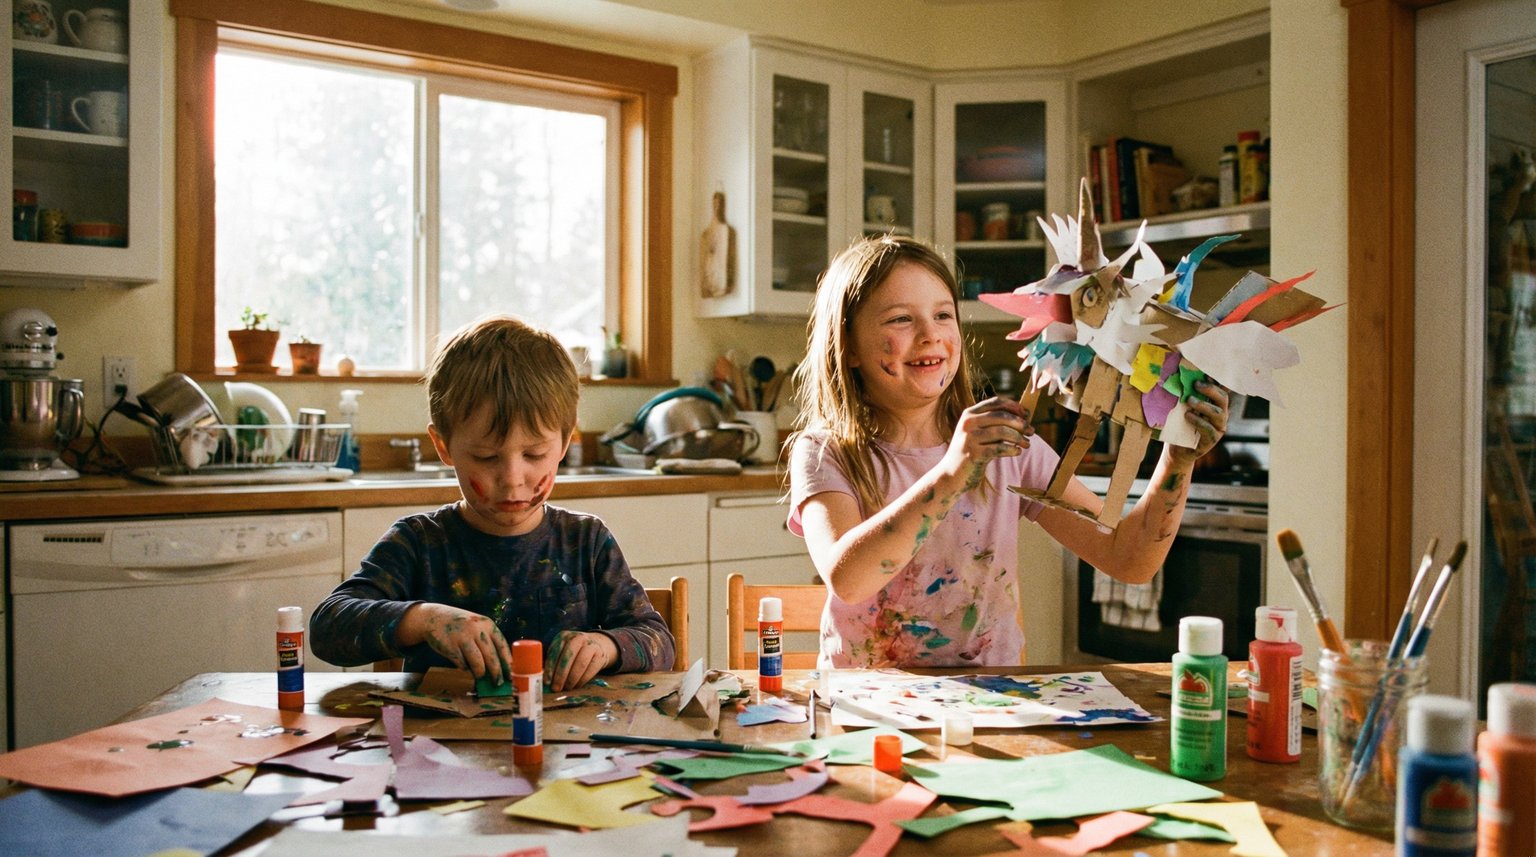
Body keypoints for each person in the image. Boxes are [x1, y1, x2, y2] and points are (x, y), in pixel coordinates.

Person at [787, 235, 1229, 669]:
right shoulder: (826, 452)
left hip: (992, 702)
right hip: (868, 703)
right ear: (847, 347)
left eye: (943, 315)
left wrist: (1179, 457)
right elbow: (848, 579)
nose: (930, 335)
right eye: (901, 319)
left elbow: (1127, 558)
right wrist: (955, 470)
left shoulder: (1009, 449)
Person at [311, 316, 674, 691]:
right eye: (486, 457)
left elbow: (658, 641)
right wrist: (425, 619)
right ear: (444, 447)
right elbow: (328, 627)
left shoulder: (586, 540)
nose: (513, 478)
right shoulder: (418, 543)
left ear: (564, 443)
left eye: (534, 454)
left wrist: (607, 645)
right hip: (440, 744)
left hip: (563, 743)